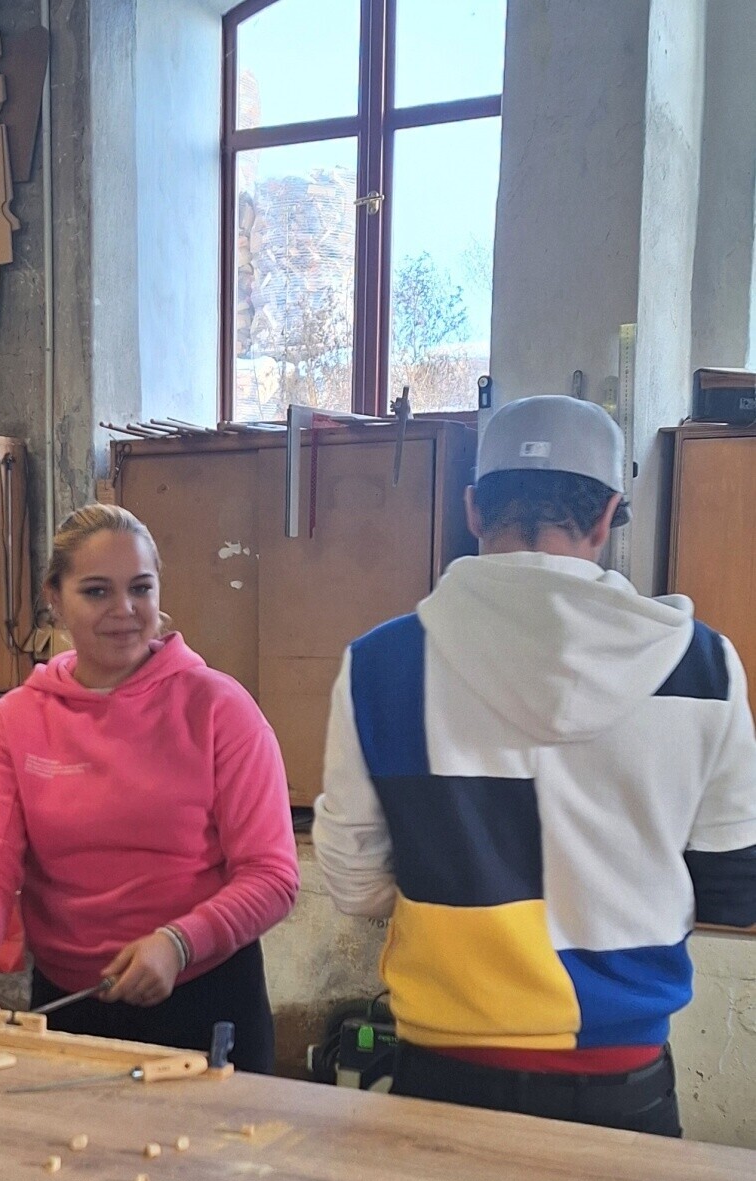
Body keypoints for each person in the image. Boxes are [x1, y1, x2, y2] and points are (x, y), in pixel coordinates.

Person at [313, 395, 756, 1135]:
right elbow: (734, 890)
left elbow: (356, 886)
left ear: (473, 510)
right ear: (607, 515)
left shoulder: (381, 665)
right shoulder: (704, 668)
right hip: (622, 1082)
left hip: (441, 1072)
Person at [0, 503, 299, 1072]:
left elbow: (272, 875)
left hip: (205, 994)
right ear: (55, 598)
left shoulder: (220, 709)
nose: (124, 610)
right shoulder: (13, 722)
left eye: (140, 588)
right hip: (69, 1003)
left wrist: (180, 943)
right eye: (97, 591)